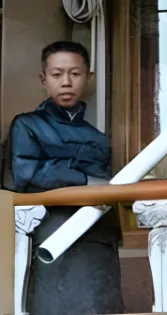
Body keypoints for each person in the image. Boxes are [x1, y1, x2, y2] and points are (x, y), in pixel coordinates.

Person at [3, 41, 123, 315]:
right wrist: (86, 180)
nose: (66, 82)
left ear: (88, 77)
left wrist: (65, 171)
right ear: (44, 79)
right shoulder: (26, 125)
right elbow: (28, 175)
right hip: (51, 230)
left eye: (75, 73)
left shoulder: (98, 138)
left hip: (98, 232)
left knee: (100, 304)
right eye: (57, 74)